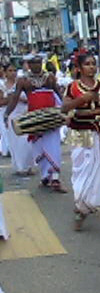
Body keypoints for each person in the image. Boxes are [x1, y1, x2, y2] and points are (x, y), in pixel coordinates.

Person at [61, 52, 100, 230]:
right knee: (82, 172)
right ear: (79, 68)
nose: (91, 67)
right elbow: (64, 108)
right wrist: (81, 100)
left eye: (94, 63)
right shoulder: (73, 87)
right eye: (87, 64)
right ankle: (81, 206)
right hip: (82, 133)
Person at [4, 53, 66, 192]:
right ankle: (45, 176)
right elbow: (14, 98)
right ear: (29, 65)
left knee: (53, 147)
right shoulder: (23, 81)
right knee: (39, 148)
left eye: (38, 62)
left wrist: (66, 109)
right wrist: (7, 113)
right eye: (33, 63)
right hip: (33, 120)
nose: (36, 65)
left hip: (51, 118)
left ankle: (55, 178)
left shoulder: (49, 78)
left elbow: (59, 95)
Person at [2, 63, 33, 175]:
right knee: (16, 141)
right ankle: (20, 167)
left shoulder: (22, 82)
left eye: (14, 70)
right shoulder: (2, 85)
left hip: (24, 113)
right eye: (10, 70)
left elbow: (30, 97)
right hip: (12, 114)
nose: (13, 73)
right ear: (5, 73)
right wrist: (13, 99)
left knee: (26, 141)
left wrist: (19, 98)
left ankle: (28, 166)